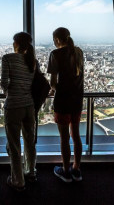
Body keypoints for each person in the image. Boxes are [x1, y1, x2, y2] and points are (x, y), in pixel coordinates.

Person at [1, 32, 37, 192]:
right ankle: (30, 171)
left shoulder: (8, 58)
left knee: (15, 145)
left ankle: (18, 180)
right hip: (29, 106)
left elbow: (4, 83)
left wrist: (8, 91)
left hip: (13, 106)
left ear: (16, 44)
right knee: (30, 142)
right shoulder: (33, 61)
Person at [47, 27, 84, 183]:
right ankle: (76, 169)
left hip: (63, 100)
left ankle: (66, 171)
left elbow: (54, 82)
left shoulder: (55, 54)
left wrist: (52, 89)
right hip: (77, 100)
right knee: (76, 136)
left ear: (56, 40)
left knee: (64, 138)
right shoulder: (79, 51)